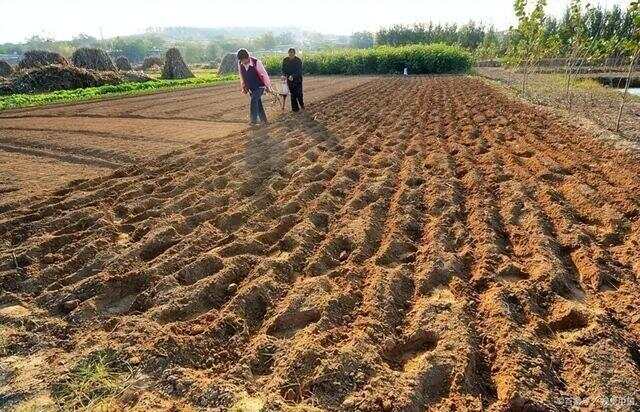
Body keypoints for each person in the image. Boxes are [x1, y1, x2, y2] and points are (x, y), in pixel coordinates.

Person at [237, 48, 272, 126]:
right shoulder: (240, 64)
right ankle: (264, 121)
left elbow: (264, 74)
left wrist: (268, 86)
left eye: (244, 60)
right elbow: (241, 76)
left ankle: (253, 120)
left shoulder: (256, 62)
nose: (243, 62)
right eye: (241, 60)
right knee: (258, 103)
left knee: (254, 100)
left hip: (260, 86)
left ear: (247, 57)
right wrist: (244, 86)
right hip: (251, 87)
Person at [282, 48, 304, 112]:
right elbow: (283, 69)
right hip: (289, 79)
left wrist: (293, 76)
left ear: (294, 53)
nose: (291, 54)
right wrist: (283, 75)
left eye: (292, 52)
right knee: (293, 94)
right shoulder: (285, 60)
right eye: (290, 52)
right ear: (288, 53)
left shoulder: (298, 60)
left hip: (298, 79)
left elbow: (299, 71)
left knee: (299, 94)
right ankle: (295, 109)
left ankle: (302, 105)